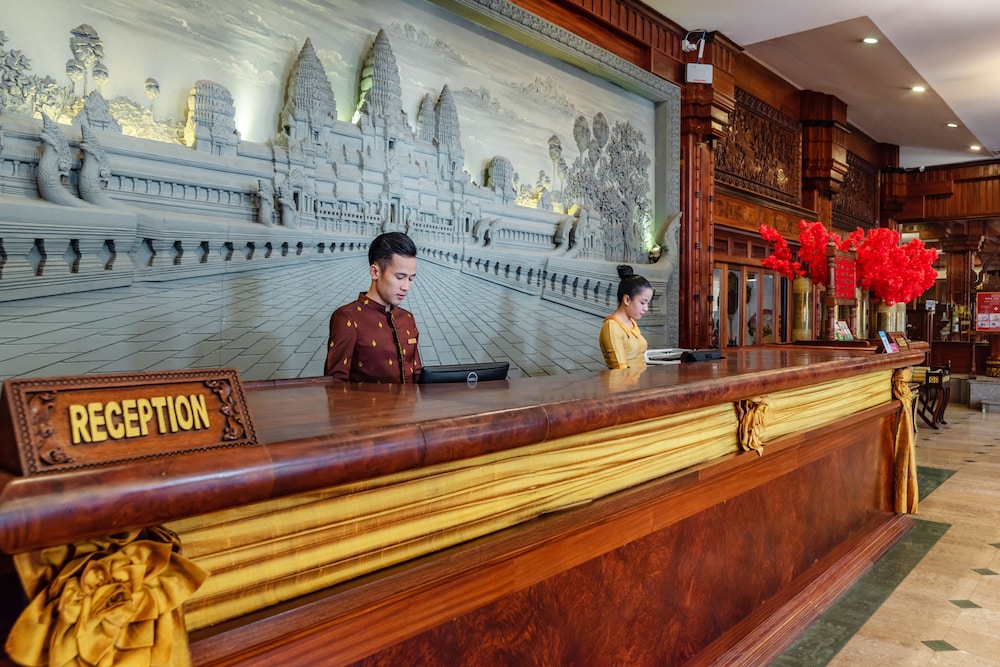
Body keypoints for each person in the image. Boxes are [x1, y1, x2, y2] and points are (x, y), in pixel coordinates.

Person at [324, 232, 423, 383]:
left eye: (410, 279)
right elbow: (336, 385)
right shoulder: (348, 317)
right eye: (400, 277)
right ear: (375, 272)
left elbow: (417, 376)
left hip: (410, 399)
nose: (406, 287)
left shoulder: (407, 318)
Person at [599, 265, 652, 370]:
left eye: (647, 303)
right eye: (642, 302)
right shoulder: (612, 327)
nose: (646, 308)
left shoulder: (631, 321)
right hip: (625, 379)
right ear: (627, 300)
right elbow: (620, 369)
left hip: (640, 378)